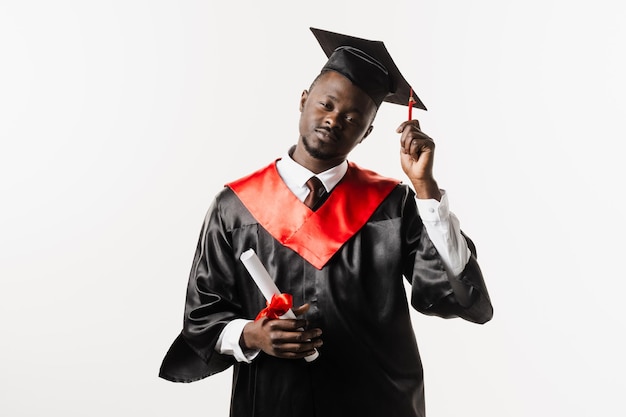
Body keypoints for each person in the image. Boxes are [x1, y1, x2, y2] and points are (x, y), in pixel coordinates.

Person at [159, 27, 493, 417]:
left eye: (352, 118)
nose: (335, 120)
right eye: (326, 104)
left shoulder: (393, 204)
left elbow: (457, 294)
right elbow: (202, 317)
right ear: (303, 101)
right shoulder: (235, 207)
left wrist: (425, 189)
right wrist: (253, 334)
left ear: (367, 133)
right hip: (274, 402)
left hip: (378, 402)